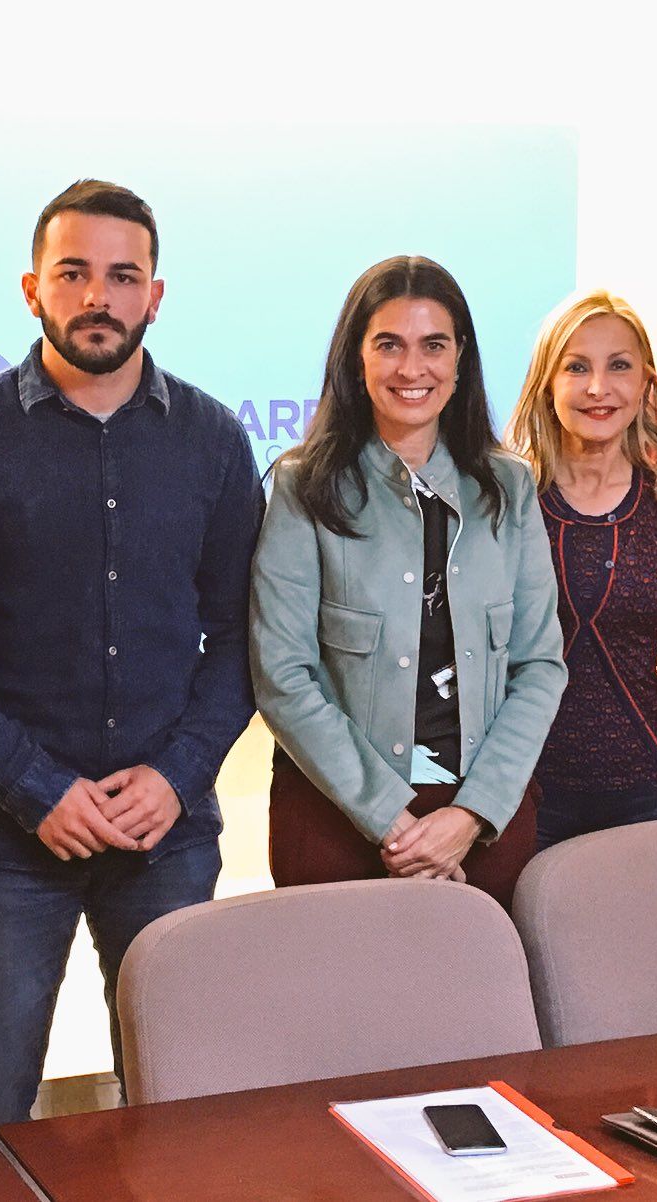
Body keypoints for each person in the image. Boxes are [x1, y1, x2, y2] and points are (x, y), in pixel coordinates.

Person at [0, 180, 263, 1129]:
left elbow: (240, 636)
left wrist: (179, 773)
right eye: (74, 273)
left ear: (155, 295)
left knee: (173, 1102)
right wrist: (36, 787)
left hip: (166, 833)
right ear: (32, 286)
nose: (98, 297)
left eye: (123, 277)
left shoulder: (211, 441)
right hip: (6, 841)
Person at [251, 255, 566, 910]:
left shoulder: (509, 488)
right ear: (357, 357)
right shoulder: (301, 487)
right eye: (388, 345)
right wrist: (393, 824)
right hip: (336, 822)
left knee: (477, 1010)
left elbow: (539, 666)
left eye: (433, 346)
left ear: (461, 358)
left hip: (480, 825)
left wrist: (469, 816)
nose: (411, 369)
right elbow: (283, 673)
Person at [505, 290, 657, 850]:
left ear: (645, 382)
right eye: (577, 367)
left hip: (646, 787)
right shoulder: (505, 502)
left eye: (618, 365)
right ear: (547, 386)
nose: (599, 388)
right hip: (521, 791)